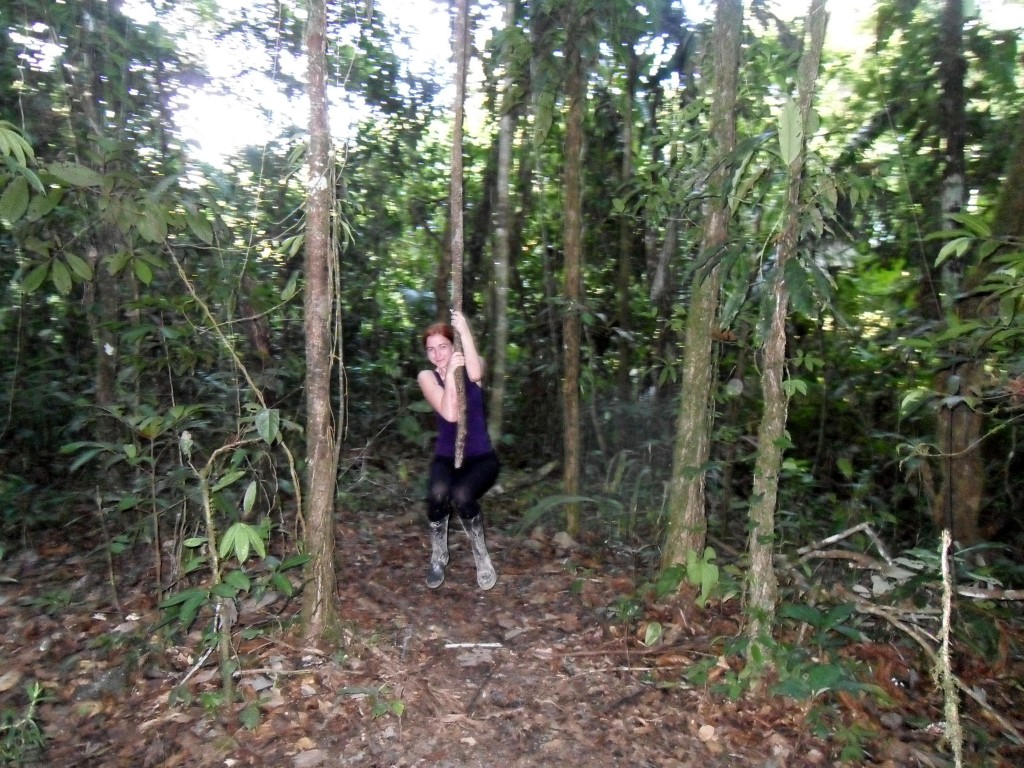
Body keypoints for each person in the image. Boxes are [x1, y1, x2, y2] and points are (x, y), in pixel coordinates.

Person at [417, 310, 499, 590]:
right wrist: (449, 375)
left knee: (462, 495)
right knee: (437, 494)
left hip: (481, 458)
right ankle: (439, 554)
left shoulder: (473, 365)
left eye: (443, 347)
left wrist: (463, 329)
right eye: (431, 349)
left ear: (454, 347)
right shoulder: (426, 377)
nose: (437, 354)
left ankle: (481, 555)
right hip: (446, 456)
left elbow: (476, 372)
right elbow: (450, 413)